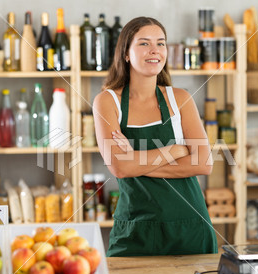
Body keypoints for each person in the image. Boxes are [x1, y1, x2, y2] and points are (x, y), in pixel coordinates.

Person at [93, 16, 217, 257]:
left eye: (161, 43)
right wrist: (176, 151)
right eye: (144, 43)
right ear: (126, 53)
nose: (155, 50)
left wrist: (135, 161)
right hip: (134, 231)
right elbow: (118, 167)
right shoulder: (107, 102)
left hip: (190, 226)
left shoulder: (180, 99)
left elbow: (203, 163)